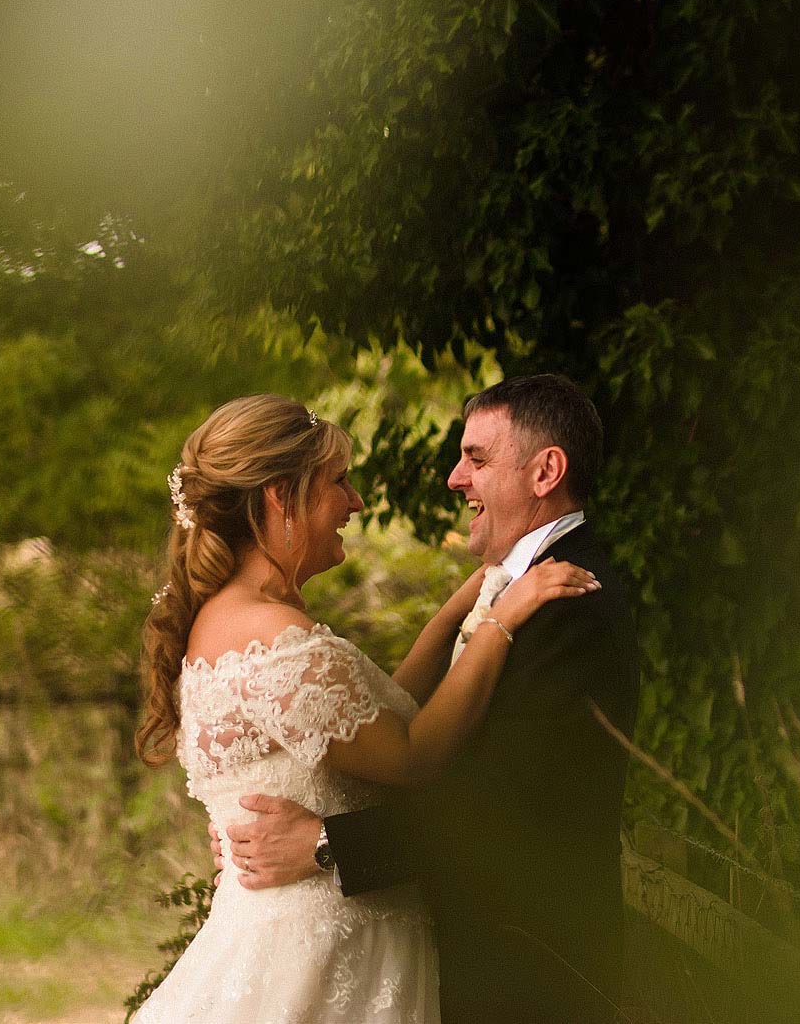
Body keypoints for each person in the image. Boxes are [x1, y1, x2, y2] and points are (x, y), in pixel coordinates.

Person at [131, 393, 598, 1024]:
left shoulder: (239, 620)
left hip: (293, 939)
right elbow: (414, 752)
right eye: (338, 482)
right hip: (327, 956)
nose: (355, 502)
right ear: (279, 495)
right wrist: (500, 622)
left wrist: (466, 602)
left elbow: (384, 715)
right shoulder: (274, 642)